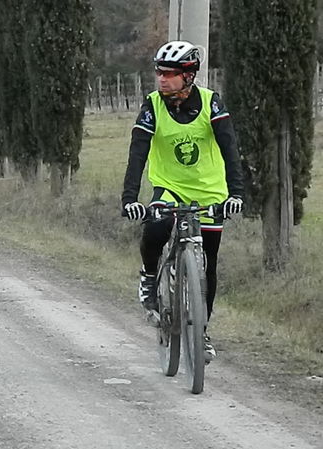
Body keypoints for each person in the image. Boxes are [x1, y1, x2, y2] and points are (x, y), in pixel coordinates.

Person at [121, 40, 244, 362]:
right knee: (156, 228)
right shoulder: (152, 105)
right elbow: (138, 153)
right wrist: (130, 198)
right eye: (159, 72)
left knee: (209, 266)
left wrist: (236, 194)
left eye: (170, 74)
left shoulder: (210, 103)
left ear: (189, 76)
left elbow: (230, 149)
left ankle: (201, 332)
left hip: (209, 192)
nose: (162, 79)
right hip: (170, 187)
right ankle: (149, 278)